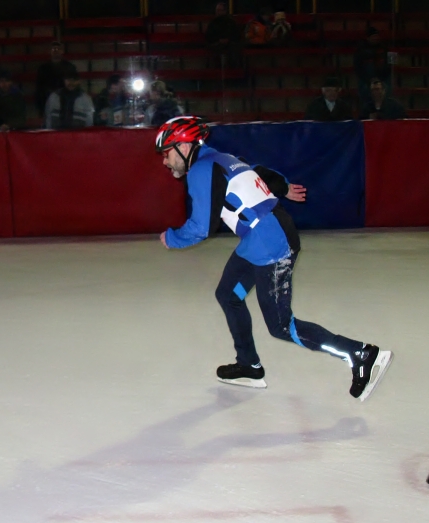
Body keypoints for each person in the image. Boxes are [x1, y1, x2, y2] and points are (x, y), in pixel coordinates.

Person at [155, 116, 392, 401]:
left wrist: (172, 238)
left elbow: (201, 227)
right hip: (259, 239)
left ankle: (360, 354)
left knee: (281, 326)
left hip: (272, 245)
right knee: (228, 295)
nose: (165, 161)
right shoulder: (224, 159)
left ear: (183, 146)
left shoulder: (201, 169)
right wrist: (284, 186)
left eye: (166, 153)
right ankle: (249, 365)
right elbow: (258, 171)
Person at [35, 41, 77, 119]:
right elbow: (39, 89)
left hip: (66, 101)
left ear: (62, 51)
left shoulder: (70, 67)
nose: (56, 51)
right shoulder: (43, 68)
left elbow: (74, 85)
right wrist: (41, 108)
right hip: (48, 100)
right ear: (50, 51)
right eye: (53, 49)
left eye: (58, 49)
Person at [354, 26, 391, 108]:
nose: (375, 38)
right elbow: (358, 68)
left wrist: (380, 79)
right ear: (368, 38)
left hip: (383, 78)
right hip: (366, 80)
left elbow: (389, 65)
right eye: (373, 36)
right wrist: (369, 79)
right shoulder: (361, 50)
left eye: (376, 36)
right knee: (364, 89)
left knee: (388, 86)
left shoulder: (384, 48)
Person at [205, 2, 242, 68]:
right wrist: (219, 40)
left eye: (219, 10)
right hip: (217, 43)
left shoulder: (230, 22)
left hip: (229, 43)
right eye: (217, 10)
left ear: (225, 11)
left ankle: (233, 69)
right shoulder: (213, 23)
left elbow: (236, 34)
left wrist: (228, 39)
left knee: (235, 48)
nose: (217, 12)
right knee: (214, 49)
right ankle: (217, 69)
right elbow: (209, 36)